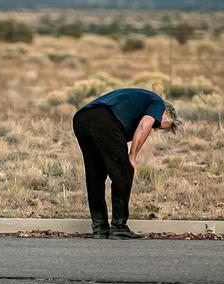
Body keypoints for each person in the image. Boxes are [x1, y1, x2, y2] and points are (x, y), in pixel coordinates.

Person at [72, 88, 182, 239]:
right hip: (103, 119)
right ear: (166, 114)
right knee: (124, 172)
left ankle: (100, 228)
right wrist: (132, 157)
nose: (155, 129)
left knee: (95, 175)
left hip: (82, 119)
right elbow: (144, 126)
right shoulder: (158, 103)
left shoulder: (139, 103)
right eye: (158, 125)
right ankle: (119, 228)